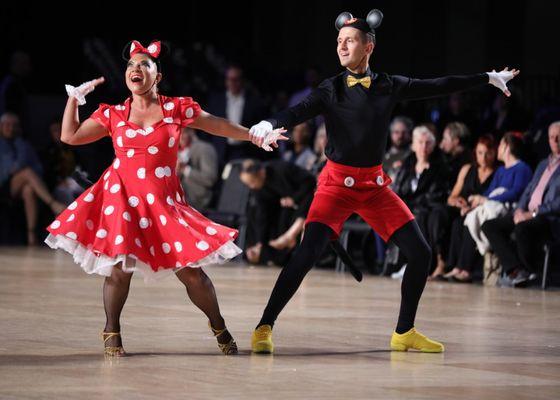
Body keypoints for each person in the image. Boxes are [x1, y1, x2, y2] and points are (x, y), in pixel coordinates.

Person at [247, 9, 519, 354]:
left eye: (349, 40)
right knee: (306, 254)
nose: (342, 46)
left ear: (369, 46)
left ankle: (404, 331)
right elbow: (296, 112)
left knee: (420, 253)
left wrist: (487, 78)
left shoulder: (389, 86)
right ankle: (264, 326)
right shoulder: (331, 89)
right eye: (338, 41)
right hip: (334, 185)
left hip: (374, 186)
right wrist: (270, 123)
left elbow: (438, 85)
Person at [44, 40, 286, 357]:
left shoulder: (176, 109)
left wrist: (254, 135)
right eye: (131, 65)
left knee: (191, 273)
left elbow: (220, 125)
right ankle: (111, 332)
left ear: (158, 75)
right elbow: (69, 136)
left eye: (145, 64)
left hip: (163, 204)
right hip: (123, 199)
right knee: (119, 268)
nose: (136, 69)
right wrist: (74, 100)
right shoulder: (114, 114)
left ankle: (219, 325)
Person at [482, 122, 560, 287]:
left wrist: (533, 213)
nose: (555, 140)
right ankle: (517, 270)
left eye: (558, 137)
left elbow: (557, 204)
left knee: (522, 229)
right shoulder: (543, 164)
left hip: (549, 218)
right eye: (552, 137)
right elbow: (527, 191)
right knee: (490, 226)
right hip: (526, 214)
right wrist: (519, 210)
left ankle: (531, 271)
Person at [0, 112, 66, 245]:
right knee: (27, 173)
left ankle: (31, 235)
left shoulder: (24, 145)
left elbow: (38, 169)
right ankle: (53, 204)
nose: (11, 128)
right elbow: (8, 170)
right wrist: (21, 169)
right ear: (1, 126)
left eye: (14, 125)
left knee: (29, 189)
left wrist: (19, 145)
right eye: (7, 125)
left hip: (21, 185)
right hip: (3, 185)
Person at [240, 159, 316, 265]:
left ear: (261, 173)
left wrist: (294, 199)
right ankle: (265, 253)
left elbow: (310, 181)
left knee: (309, 199)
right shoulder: (258, 189)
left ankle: (290, 236)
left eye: (252, 182)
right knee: (256, 213)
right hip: (288, 209)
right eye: (248, 184)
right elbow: (263, 214)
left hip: (306, 198)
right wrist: (260, 242)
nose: (251, 187)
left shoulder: (282, 169)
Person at [443, 135, 497, 282]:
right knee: (456, 223)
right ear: (475, 153)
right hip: (465, 210)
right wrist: (458, 202)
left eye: (488, 153)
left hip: (483, 212)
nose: (484, 157)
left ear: (494, 153)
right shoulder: (467, 169)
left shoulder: (498, 172)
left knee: (469, 222)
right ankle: (455, 267)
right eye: (480, 153)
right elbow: (452, 197)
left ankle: (465, 269)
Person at [177, 127, 219, 211]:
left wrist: (185, 169)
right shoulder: (173, 151)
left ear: (191, 132)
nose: (180, 136)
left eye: (184, 132)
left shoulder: (204, 148)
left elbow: (209, 179)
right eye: (177, 133)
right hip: (178, 199)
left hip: (198, 200)